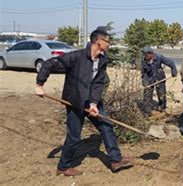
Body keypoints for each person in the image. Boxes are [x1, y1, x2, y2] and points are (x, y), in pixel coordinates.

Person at [35, 28, 133, 176]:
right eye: (107, 41)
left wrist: (94, 103)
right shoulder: (76, 57)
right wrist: (39, 85)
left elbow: (98, 83)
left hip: (91, 101)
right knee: (74, 136)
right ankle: (63, 167)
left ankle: (115, 160)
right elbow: (49, 64)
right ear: (98, 41)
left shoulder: (102, 60)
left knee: (106, 126)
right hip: (75, 101)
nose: (109, 45)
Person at [141, 47, 177, 114]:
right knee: (147, 95)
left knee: (161, 94)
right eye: (144, 55)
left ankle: (162, 108)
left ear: (151, 54)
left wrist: (174, 71)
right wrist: (145, 84)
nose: (145, 57)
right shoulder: (143, 61)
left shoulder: (159, 57)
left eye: (146, 55)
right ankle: (147, 112)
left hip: (160, 78)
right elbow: (143, 74)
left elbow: (171, 63)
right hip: (149, 79)